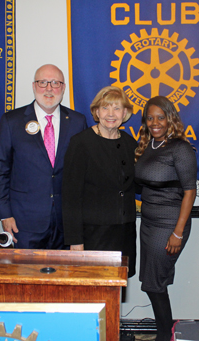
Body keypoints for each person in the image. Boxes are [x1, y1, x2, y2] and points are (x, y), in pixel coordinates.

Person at [0, 64, 87, 249]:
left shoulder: (77, 122)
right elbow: (1, 171)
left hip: (65, 224)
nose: (49, 89)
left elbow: (82, 173)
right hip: (24, 224)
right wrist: (5, 215)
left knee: (62, 277)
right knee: (27, 276)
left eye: (55, 83)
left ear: (64, 88)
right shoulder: (12, 121)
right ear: (34, 86)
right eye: (43, 82)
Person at [135, 96, 197, 341]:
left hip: (170, 223)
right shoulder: (147, 145)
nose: (155, 122)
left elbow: (190, 191)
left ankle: (165, 335)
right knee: (152, 282)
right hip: (148, 223)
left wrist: (178, 232)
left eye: (160, 117)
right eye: (150, 118)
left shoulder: (180, 148)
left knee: (155, 283)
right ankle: (166, 332)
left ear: (170, 118)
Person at [62, 86, 137, 277]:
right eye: (105, 108)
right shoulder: (81, 143)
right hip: (93, 237)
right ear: (96, 112)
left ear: (125, 113)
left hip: (124, 235)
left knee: (117, 290)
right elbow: (71, 196)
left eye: (117, 108)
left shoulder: (130, 144)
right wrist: (75, 241)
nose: (111, 114)